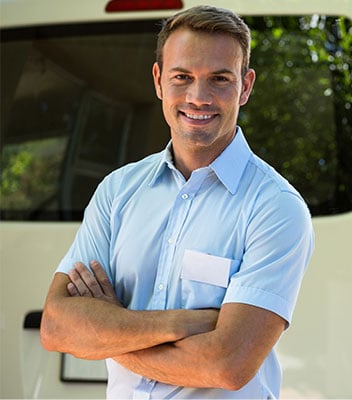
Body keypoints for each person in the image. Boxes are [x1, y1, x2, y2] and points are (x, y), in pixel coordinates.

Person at [40, 5, 314, 399]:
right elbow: (57, 326)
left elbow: (228, 364)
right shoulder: (118, 191)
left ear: (246, 86)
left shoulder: (276, 208)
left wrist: (107, 331)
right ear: (158, 81)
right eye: (182, 77)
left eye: (219, 79)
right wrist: (185, 323)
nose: (198, 97)